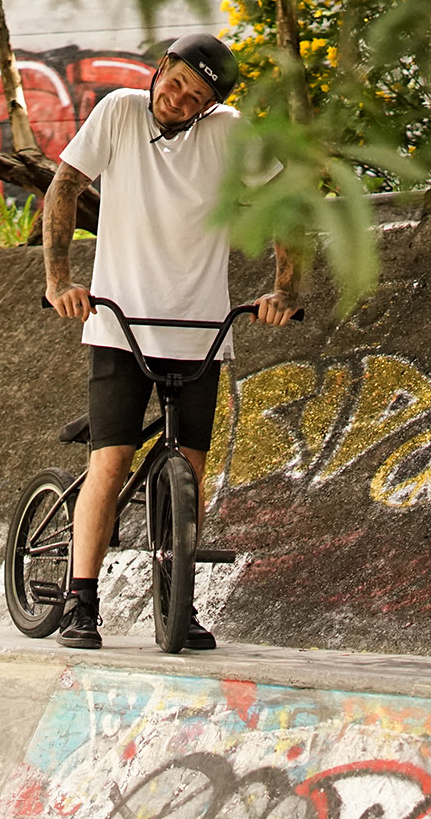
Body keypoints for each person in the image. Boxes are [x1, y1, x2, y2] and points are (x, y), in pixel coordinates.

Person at [43, 32, 300, 651]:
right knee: (112, 461)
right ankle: (81, 600)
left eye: (197, 94)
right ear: (161, 69)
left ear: (210, 105)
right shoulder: (119, 112)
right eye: (176, 80)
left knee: (191, 467)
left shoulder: (230, 134)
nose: (179, 97)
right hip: (117, 324)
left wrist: (283, 292)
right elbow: (64, 188)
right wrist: (60, 282)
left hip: (201, 329)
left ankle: (175, 600)